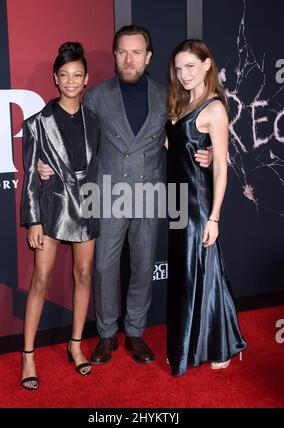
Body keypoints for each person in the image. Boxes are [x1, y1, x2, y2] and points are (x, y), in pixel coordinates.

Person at [38, 26, 212, 365]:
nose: (128, 59)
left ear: (148, 57)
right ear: (115, 56)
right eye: (122, 52)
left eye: (136, 52)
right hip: (104, 195)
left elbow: (178, 139)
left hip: (151, 194)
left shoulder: (167, 95)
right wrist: (49, 162)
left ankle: (134, 333)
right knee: (103, 268)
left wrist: (200, 155)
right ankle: (105, 335)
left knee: (144, 266)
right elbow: (75, 136)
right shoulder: (97, 95)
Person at [20, 42, 100, 390]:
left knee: (84, 275)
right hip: (51, 209)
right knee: (41, 278)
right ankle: (27, 355)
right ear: (55, 78)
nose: (71, 81)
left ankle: (76, 345)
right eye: (64, 75)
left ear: (86, 80)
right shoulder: (36, 123)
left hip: (88, 207)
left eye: (77, 75)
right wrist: (34, 220)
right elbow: (28, 176)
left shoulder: (94, 121)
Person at [166, 39, 247, 376]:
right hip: (176, 203)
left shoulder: (213, 108)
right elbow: (175, 148)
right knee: (187, 278)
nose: (184, 74)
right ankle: (193, 342)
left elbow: (221, 169)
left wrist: (214, 217)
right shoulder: (181, 102)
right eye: (179, 67)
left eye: (191, 66)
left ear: (207, 65)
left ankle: (221, 344)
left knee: (203, 272)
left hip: (198, 205)